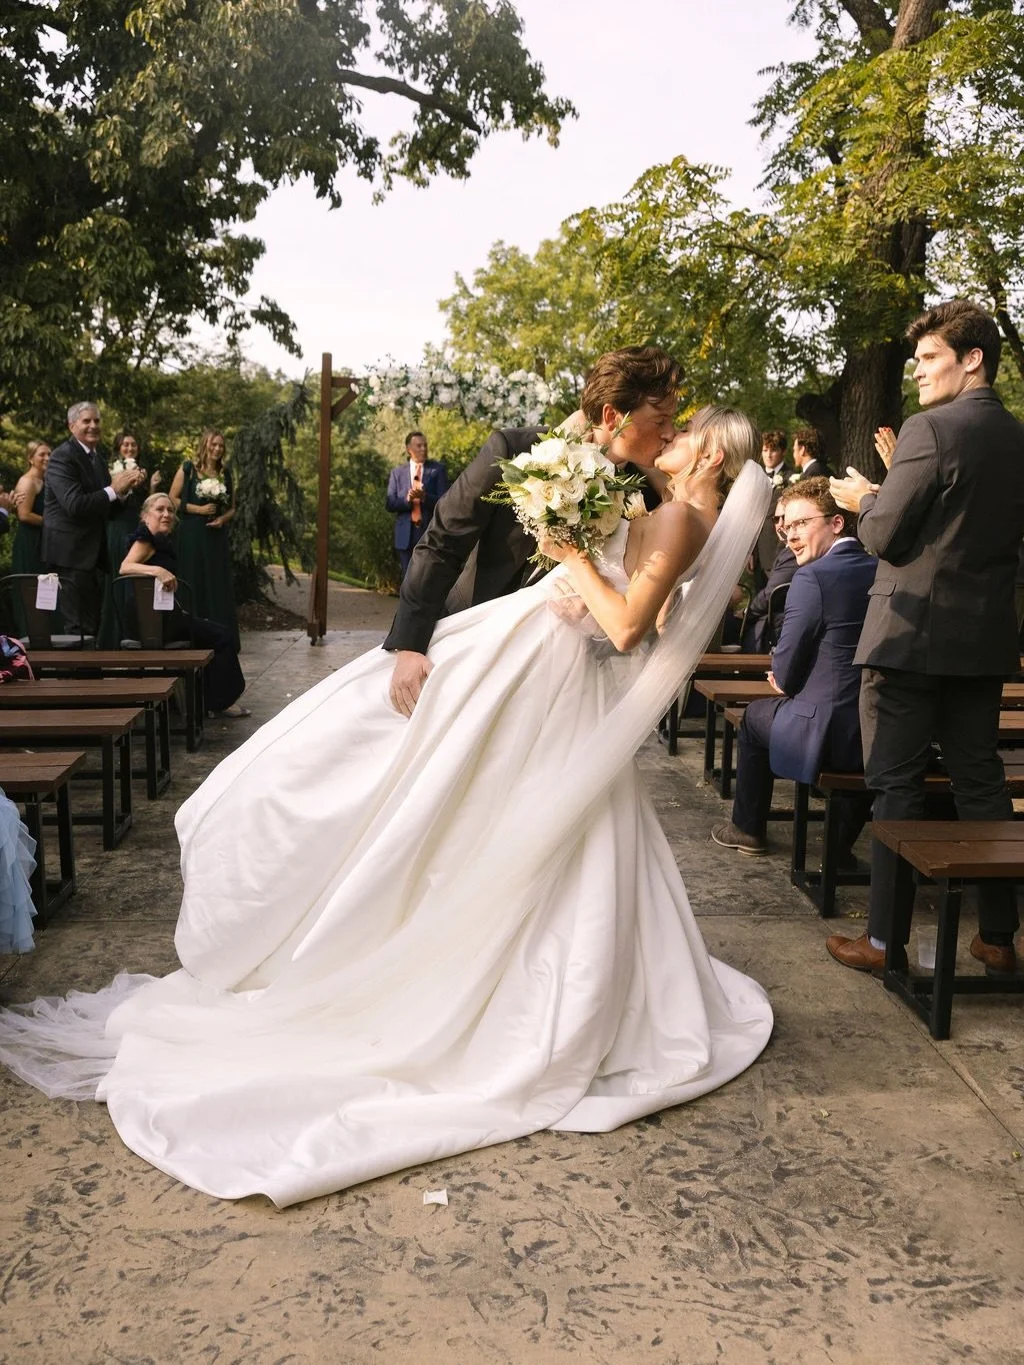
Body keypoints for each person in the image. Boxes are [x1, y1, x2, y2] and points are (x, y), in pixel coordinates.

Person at [0, 407, 774, 1206]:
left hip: (556, 659)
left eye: (685, 431)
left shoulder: (683, 514)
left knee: (458, 799)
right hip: (539, 654)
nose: (671, 436)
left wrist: (569, 550)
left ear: (711, 450)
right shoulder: (688, 508)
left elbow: (624, 629)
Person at [827, 299, 1024, 974]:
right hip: (984, 640)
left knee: (897, 787)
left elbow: (883, 536)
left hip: (909, 635)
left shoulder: (931, 429)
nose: (917, 369)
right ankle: (998, 935)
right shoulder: (1018, 438)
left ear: (973, 360)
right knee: (980, 780)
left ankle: (885, 942)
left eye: (930, 356)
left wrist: (866, 500)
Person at [384, 345, 682, 718]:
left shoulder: (644, 499)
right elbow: (444, 539)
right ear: (611, 415)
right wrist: (411, 646)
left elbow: (633, 608)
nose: (670, 433)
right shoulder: (516, 450)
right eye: (660, 421)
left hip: (555, 681)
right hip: (468, 638)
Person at [711, 479, 877, 858]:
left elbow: (784, 674)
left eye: (802, 524)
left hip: (829, 733)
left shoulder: (813, 577)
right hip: (875, 727)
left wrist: (785, 679)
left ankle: (748, 828)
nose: (790, 536)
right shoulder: (881, 568)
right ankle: (838, 848)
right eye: (788, 527)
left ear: (837, 523)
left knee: (754, 716)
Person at [119, 494, 248, 717]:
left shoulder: (157, 539)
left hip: (158, 618)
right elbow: (125, 567)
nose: (167, 514)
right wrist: (157, 570)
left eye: (170, 510)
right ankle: (220, 702)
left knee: (210, 634)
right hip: (154, 623)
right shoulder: (145, 539)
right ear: (145, 514)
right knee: (222, 637)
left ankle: (204, 700)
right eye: (160, 509)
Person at [42, 403, 146, 636]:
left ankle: (90, 672)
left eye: (97, 421)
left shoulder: (97, 460)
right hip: (69, 556)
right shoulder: (62, 457)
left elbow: (106, 511)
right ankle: (73, 673)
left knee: (92, 626)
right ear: (72, 426)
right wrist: (112, 489)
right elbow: (75, 505)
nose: (93, 426)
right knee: (75, 628)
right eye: (86, 421)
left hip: (92, 557)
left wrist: (125, 491)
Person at [169, 430, 239, 649]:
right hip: (191, 533)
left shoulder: (225, 473)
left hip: (215, 535)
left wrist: (222, 520)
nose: (217, 449)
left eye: (221, 446)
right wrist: (198, 509)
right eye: (213, 445)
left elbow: (233, 508)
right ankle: (191, 632)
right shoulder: (188, 469)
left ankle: (220, 631)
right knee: (193, 577)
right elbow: (172, 498)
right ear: (205, 445)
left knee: (215, 580)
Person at [99, 431, 162, 648]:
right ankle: (112, 635)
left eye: (133, 444)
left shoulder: (143, 472)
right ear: (118, 448)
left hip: (137, 527)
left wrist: (152, 485)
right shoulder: (110, 471)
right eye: (125, 444)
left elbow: (146, 505)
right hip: (117, 528)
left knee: (136, 580)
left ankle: (136, 633)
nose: (129, 448)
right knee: (118, 577)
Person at [385, 432, 450, 579]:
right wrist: (406, 500)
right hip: (405, 535)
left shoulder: (437, 470)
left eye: (425, 445)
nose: (423, 449)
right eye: (419, 445)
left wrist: (424, 497)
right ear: (409, 448)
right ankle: (406, 602)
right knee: (407, 578)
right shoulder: (397, 473)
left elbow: (444, 503)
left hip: (429, 533)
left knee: (426, 578)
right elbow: (389, 503)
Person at [11, 441, 51, 575]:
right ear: (30, 458)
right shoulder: (27, 481)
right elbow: (24, 515)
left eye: (49, 454)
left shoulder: (45, 480)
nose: (47, 458)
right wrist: (52, 523)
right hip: (30, 542)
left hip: (44, 541)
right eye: (42, 454)